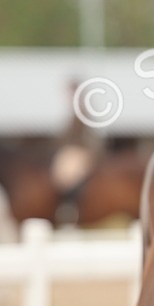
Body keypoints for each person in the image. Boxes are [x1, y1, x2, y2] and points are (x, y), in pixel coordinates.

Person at [51, 79, 103, 224]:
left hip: (80, 150)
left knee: (66, 176)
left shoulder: (81, 111)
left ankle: (70, 209)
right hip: (76, 149)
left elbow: (84, 136)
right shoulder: (77, 111)